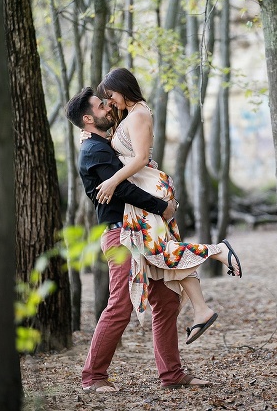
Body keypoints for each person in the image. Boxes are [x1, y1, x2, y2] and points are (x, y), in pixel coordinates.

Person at [66, 87, 211, 391]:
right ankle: (92, 377)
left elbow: (133, 172)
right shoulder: (93, 151)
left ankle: (171, 374)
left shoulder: (104, 144)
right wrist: (163, 206)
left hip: (140, 231)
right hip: (122, 235)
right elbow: (123, 190)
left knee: (166, 300)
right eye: (100, 106)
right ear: (89, 118)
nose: (108, 107)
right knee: (120, 304)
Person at [90, 67, 242, 344]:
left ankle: (217, 250)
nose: (110, 101)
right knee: (164, 257)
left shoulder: (138, 115)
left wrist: (112, 181)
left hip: (148, 188)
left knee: (159, 250)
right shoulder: (131, 113)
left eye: (111, 95)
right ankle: (202, 309)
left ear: (122, 89)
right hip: (147, 187)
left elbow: (138, 160)